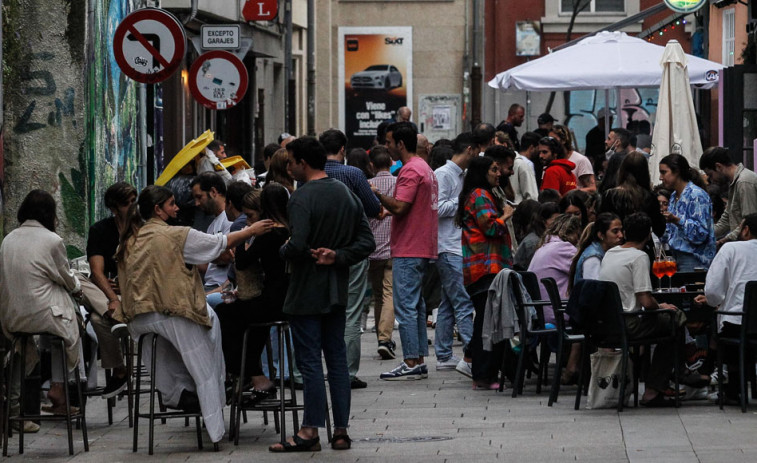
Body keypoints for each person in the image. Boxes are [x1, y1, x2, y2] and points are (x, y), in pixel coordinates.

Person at [115, 185, 271, 443]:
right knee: (206, 363)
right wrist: (251, 231)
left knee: (173, 356)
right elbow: (219, 242)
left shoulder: (131, 239)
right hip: (171, 310)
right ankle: (214, 424)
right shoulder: (175, 235)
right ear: (158, 210)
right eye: (172, 204)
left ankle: (180, 395)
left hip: (137, 318)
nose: (177, 208)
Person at [275, 136, 375, 452]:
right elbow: (367, 243)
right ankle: (341, 430)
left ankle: (309, 431)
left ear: (303, 163)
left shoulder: (301, 197)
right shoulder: (346, 193)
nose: (288, 167)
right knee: (336, 361)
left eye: (290, 161)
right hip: (337, 290)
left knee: (310, 362)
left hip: (306, 290)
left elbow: (298, 244)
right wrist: (338, 256)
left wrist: (284, 248)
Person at [599, 212, 706, 406]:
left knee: (670, 321)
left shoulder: (610, 253)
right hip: (629, 322)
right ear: (648, 235)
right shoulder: (639, 257)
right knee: (675, 316)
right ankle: (667, 378)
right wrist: (661, 306)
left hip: (609, 322)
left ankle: (673, 373)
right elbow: (646, 301)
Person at [0, 190, 83, 422]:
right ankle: (62, 389)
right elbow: (67, 279)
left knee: (53, 325)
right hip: (42, 317)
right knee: (73, 318)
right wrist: (79, 288)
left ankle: (19, 409)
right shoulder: (52, 241)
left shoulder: (8, 239)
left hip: (12, 318)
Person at [375, 122, 439, 381]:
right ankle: (418, 359)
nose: (386, 147)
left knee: (406, 307)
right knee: (416, 305)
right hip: (421, 245)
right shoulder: (424, 167)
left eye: (389, 142)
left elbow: (401, 206)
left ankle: (411, 360)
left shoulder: (410, 170)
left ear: (400, 144)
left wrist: (377, 193)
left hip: (409, 247)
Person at [215, 184, 290, 403]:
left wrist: (243, 237)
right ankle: (253, 375)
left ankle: (250, 376)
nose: (247, 220)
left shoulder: (270, 233)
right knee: (248, 324)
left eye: (250, 216)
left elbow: (243, 261)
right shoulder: (285, 229)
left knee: (225, 314)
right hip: (278, 299)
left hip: (273, 301)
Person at [321, 128, 381, 390]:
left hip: (321, 252)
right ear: (343, 150)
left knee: (327, 309)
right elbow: (373, 209)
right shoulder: (353, 174)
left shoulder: (311, 176)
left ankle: (326, 366)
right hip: (352, 249)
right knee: (352, 310)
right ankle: (346, 372)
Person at [455, 155, 514, 389]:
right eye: (493, 169)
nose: (498, 173)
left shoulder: (481, 194)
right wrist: (507, 215)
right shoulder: (480, 195)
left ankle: (486, 373)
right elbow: (490, 227)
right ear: (482, 172)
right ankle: (482, 374)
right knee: (485, 324)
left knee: (487, 321)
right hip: (485, 268)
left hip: (484, 267)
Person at [695, 213, 757, 404]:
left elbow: (713, 291)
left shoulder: (731, 249)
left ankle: (731, 389)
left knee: (724, 321)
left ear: (745, 230)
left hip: (739, 323)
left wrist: (716, 302)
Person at [81, 182, 136, 398]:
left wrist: (125, 284)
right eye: (126, 204)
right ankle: (120, 369)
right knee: (79, 281)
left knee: (97, 318)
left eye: (134, 202)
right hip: (109, 297)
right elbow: (97, 272)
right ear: (114, 208)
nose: (132, 208)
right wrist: (113, 297)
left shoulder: (143, 229)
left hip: (136, 291)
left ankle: (120, 372)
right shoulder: (100, 230)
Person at [433, 132, 477, 373]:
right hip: (448, 246)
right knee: (462, 302)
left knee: (449, 303)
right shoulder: (443, 174)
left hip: (454, 245)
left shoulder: (461, 175)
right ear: (469, 149)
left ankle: (443, 355)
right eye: (477, 151)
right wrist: (463, 201)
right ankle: (471, 355)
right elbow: (437, 208)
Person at [658, 154, 716, 271]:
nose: (660, 177)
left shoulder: (696, 195)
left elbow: (701, 234)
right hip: (675, 256)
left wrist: (677, 220)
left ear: (677, 171)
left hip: (694, 259)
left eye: (664, 172)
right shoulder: (674, 195)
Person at [367, 146, 397, 360]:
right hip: (393, 248)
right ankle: (384, 339)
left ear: (372, 165)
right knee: (389, 294)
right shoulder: (398, 185)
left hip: (372, 250)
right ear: (391, 163)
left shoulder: (367, 186)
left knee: (379, 296)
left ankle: (381, 335)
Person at [528, 214, 582, 324]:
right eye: (578, 234)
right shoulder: (563, 248)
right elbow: (583, 272)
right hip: (557, 312)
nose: (579, 239)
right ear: (571, 232)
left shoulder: (543, 248)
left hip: (540, 312)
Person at [699, 146, 757, 245]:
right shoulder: (734, 183)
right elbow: (726, 219)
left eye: (710, 175)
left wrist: (723, 241)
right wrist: (703, 235)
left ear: (718, 167)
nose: (711, 180)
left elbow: (749, 223)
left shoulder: (744, 182)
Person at [191, 172, 234, 300]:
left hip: (221, 287)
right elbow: (205, 264)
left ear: (213, 192)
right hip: (209, 286)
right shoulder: (212, 225)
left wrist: (204, 251)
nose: (197, 203)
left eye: (199, 197)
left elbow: (227, 256)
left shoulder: (229, 218)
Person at [568, 212, 624, 291]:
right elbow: (593, 292)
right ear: (601, 235)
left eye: (621, 230)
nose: (621, 235)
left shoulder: (606, 253)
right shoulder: (593, 257)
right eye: (615, 231)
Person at [513, 201, 560, 270]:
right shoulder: (534, 242)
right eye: (554, 220)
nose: (558, 224)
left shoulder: (547, 237)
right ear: (543, 221)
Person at [550, 124, 596, 193]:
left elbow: (592, 188)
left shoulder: (580, 160)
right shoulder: (550, 160)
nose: (551, 143)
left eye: (554, 140)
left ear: (564, 140)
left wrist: (570, 194)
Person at [599, 128, 633, 193]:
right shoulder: (629, 157)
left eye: (609, 139)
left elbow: (608, 183)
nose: (606, 141)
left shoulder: (616, 158)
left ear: (617, 142)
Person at [510, 132, 539, 203]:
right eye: (538, 148)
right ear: (532, 148)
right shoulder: (527, 164)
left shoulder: (512, 161)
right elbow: (531, 193)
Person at [586, 107, 614, 172]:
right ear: (601, 120)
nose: (611, 121)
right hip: (598, 168)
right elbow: (589, 155)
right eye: (609, 119)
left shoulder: (613, 133)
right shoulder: (592, 135)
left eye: (611, 119)